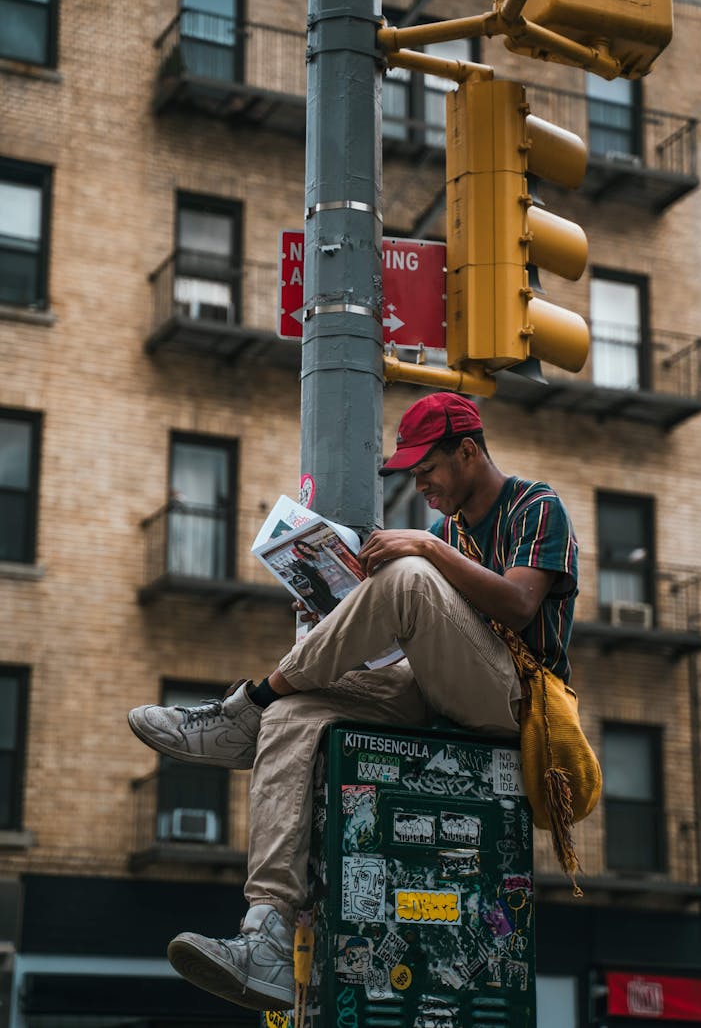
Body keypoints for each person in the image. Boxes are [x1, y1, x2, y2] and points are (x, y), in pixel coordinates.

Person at [127, 392, 578, 1012]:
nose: (421, 485)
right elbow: (421, 646)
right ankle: (266, 932)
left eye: (428, 470)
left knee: (407, 578)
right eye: (413, 474)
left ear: (469, 451)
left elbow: (521, 605)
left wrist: (426, 548)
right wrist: (335, 610)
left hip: (515, 704)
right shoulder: (445, 531)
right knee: (298, 709)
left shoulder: (535, 506)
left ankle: (247, 706)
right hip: (441, 691)